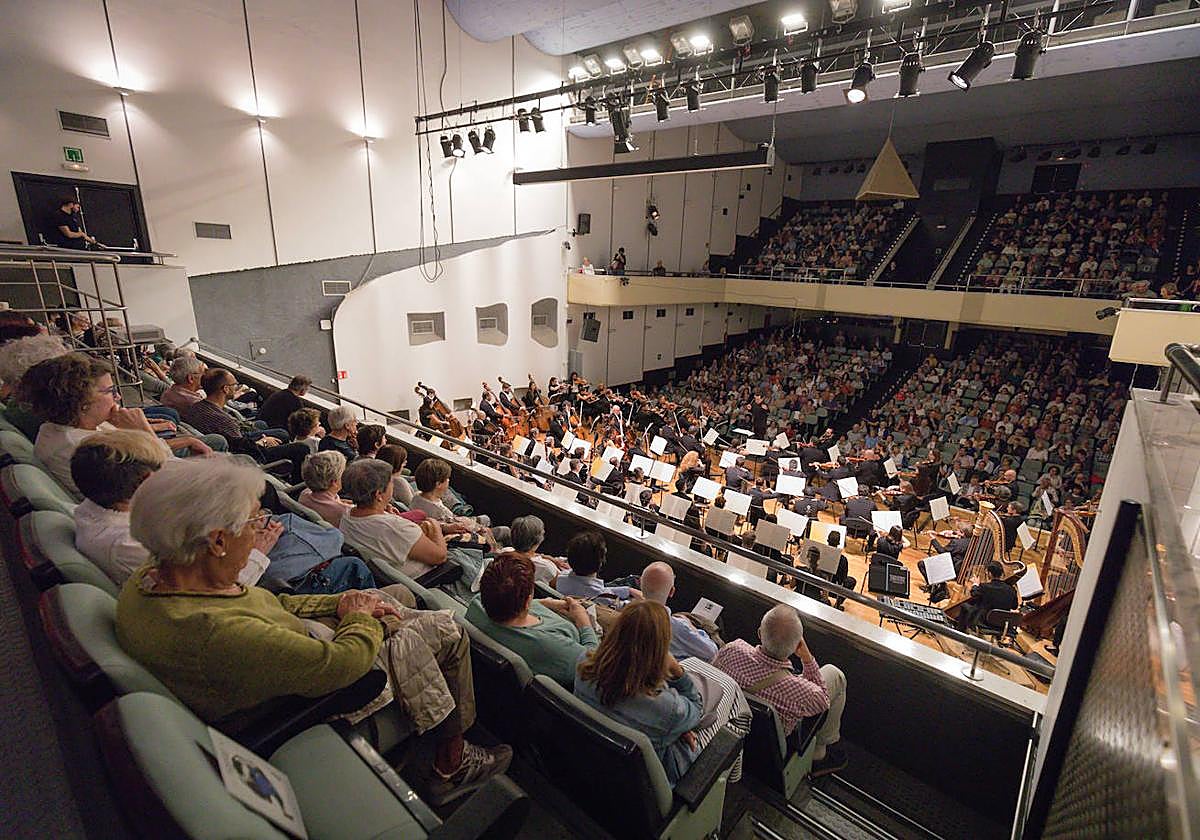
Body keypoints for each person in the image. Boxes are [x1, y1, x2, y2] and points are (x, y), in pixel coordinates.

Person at [115, 456, 510, 806]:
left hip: (299, 640)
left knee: (397, 594)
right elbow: (340, 664)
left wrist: (339, 603)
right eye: (254, 521)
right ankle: (452, 763)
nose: (261, 532)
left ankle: (434, 710)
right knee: (446, 629)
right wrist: (360, 619)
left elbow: (274, 605)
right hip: (324, 690)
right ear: (218, 540)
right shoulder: (215, 633)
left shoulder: (156, 576)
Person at [70, 430, 271, 587]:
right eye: (161, 468)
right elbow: (210, 587)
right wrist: (258, 552)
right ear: (147, 481)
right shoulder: (127, 545)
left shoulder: (98, 502)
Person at [20, 353, 208, 494]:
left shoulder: (64, 428)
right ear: (82, 402)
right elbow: (170, 480)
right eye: (110, 391)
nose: (117, 397)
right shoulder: (87, 450)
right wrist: (143, 433)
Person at [574, 600, 702, 785]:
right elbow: (696, 708)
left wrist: (673, 728)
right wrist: (677, 669)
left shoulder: (582, 666)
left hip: (589, 768)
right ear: (661, 649)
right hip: (640, 789)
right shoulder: (668, 709)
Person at [712, 604, 847, 777]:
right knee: (835, 675)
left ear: (759, 633)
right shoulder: (804, 692)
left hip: (728, 734)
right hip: (770, 749)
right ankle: (819, 753)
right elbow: (824, 701)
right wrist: (807, 659)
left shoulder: (732, 649)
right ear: (797, 646)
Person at [465, 553, 598, 687]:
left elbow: (502, 599)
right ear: (528, 600)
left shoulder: (477, 604)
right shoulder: (551, 647)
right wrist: (584, 622)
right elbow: (593, 665)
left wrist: (544, 603)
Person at [180, 367, 309, 482]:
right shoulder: (222, 420)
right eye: (234, 384)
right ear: (225, 389)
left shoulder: (197, 407)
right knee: (301, 448)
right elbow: (242, 447)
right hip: (248, 455)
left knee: (278, 432)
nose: (236, 387)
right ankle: (293, 483)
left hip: (236, 443)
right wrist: (263, 441)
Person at [337, 458, 449, 580]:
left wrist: (386, 514)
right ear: (379, 494)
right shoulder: (398, 528)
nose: (393, 485)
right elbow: (440, 557)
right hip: (425, 579)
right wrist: (435, 526)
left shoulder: (347, 515)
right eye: (391, 482)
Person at [640, 561, 719, 662]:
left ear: (640, 584)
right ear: (671, 592)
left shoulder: (626, 613)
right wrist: (692, 628)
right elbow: (712, 652)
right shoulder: (679, 627)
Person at [554, 531, 642, 604]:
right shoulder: (603, 597)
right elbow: (604, 594)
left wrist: (628, 590)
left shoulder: (560, 579)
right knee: (634, 580)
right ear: (601, 562)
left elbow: (599, 590)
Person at [410, 458, 490, 533]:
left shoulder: (416, 496)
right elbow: (458, 525)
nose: (448, 480)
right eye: (447, 478)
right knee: (486, 519)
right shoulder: (441, 511)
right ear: (438, 484)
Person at [954, 561, 1018, 631]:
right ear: (1001, 574)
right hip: (1002, 625)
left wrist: (975, 584)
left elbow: (974, 595)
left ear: (989, 573)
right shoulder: (1011, 589)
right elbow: (1014, 606)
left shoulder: (985, 587)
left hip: (985, 623)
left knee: (964, 605)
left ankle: (959, 631)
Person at [297, 450, 354, 527]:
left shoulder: (305, 494)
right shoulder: (345, 512)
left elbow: (327, 501)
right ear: (334, 482)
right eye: (344, 471)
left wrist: (342, 502)